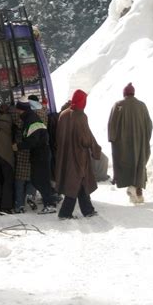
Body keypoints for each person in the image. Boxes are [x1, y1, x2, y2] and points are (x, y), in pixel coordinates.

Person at [55, 89, 101, 219]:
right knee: (76, 181)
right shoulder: (80, 116)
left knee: (79, 182)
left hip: (65, 155)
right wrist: (94, 148)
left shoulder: (63, 114)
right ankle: (65, 213)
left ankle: (88, 210)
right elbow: (86, 139)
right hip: (78, 155)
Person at [108, 82, 153, 204]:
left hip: (123, 144)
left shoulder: (118, 105)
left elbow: (112, 125)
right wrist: (145, 139)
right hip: (140, 143)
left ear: (124, 93)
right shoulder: (142, 106)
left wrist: (113, 139)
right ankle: (136, 192)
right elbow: (149, 125)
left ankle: (132, 189)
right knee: (139, 166)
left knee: (126, 165)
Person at [16, 98, 57, 213]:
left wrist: (18, 146)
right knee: (36, 180)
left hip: (41, 154)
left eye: (18, 110)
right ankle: (52, 198)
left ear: (21, 110)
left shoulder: (31, 120)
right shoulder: (30, 118)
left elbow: (33, 141)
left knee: (41, 180)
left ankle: (50, 204)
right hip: (39, 154)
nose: (17, 112)